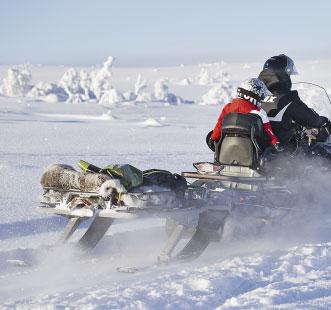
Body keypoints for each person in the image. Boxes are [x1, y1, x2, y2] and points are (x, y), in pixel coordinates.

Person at [258, 54, 331, 150]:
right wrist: (325, 122)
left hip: (262, 149)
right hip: (283, 151)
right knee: (319, 150)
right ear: (282, 76)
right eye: (288, 75)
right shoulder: (286, 98)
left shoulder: (257, 96)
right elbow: (310, 118)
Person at [207, 78, 280, 152]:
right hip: (251, 152)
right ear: (254, 95)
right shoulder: (259, 112)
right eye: (260, 95)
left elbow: (219, 125)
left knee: (212, 135)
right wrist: (275, 143)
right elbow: (268, 131)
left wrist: (212, 139)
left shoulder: (227, 108)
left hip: (226, 150)